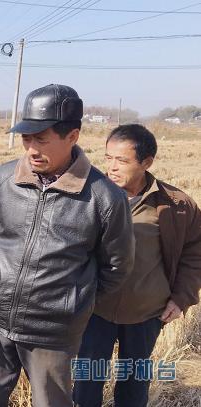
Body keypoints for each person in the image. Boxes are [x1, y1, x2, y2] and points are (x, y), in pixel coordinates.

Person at [0, 84, 134, 406]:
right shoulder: (4, 180)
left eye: (41, 139)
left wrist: (71, 301)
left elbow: (117, 266)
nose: (31, 149)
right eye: (26, 139)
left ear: (73, 136)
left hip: (53, 333)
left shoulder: (103, 198)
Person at [73, 124, 201, 407]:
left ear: (146, 162)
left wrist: (181, 298)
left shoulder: (175, 205)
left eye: (122, 160)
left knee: (134, 382)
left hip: (146, 312)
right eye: (108, 158)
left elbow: (195, 253)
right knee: (86, 382)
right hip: (96, 309)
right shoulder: (88, 196)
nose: (112, 167)